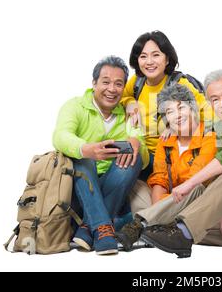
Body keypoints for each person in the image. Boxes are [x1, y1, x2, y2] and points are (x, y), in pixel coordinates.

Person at [117, 69, 222, 257]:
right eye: (215, 99)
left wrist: (190, 189)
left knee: (217, 186)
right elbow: (161, 178)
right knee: (197, 220)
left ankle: (161, 228)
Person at [52, 56, 149, 255]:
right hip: (78, 191)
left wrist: (137, 143)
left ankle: (90, 228)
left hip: (114, 187)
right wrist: (87, 149)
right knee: (82, 158)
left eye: (118, 84)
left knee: (134, 157)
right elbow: (60, 136)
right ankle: (103, 227)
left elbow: (145, 159)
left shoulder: (129, 114)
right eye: (105, 82)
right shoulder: (76, 106)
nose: (111, 89)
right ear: (94, 83)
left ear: (123, 88)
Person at [116, 84, 216, 250]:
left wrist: (160, 208)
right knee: (137, 184)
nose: (177, 116)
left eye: (181, 108)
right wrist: (159, 208)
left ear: (193, 109)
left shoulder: (209, 136)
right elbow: (160, 179)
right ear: (166, 119)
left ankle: (140, 226)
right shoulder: (165, 141)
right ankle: (156, 228)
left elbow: (193, 180)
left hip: (195, 203)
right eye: (170, 112)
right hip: (170, 201)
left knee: (196, 187)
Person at [121, 31, 212, 181]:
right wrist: (129, 102)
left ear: (167, 59)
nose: (149, 62)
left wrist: (176, 124)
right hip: (143, 154)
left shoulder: (180, 84)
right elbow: (119, 96)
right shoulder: (137, 82)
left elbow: (207, 113)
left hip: (170, 157)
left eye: (156, 55)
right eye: (143, 56)